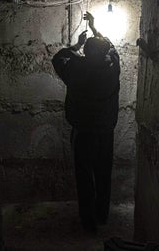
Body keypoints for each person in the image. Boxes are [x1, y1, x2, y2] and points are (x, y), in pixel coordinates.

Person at [52, 12, 120, 233]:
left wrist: (76, 45)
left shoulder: (76, 68)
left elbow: (58, 57)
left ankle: (88, 221)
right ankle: (102, 214)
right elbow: (110, 46)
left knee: (85, 177)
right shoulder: (112, 67)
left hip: (82, 132)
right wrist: (95, 27)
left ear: (86, 51)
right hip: (105, 132)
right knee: (103, 173)